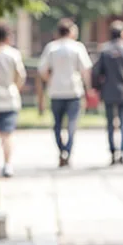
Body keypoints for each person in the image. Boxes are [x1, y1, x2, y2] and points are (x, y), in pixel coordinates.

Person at [38, 18, 92, 167]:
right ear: (71, 31)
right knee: (72, 124)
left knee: (57, 124)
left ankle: (61, 149)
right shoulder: (77, 47)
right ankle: (68, 150)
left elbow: (42, 70)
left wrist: (50, 80)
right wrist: (88, 88)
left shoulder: (51, 48)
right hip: (74, 90)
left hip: (56, 90)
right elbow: (85, 70)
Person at [91, 20, 123, 165]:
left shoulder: (104, 50)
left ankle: (113, 152)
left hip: (108, 91)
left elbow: (96, 72)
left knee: (110, 124)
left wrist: (97, 88)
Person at [0, 20, 25, 178]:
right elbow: (20, 77)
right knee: (8, 134)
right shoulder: (13, 54)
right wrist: (15, 88)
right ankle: (7, 164)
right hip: (9, 96)